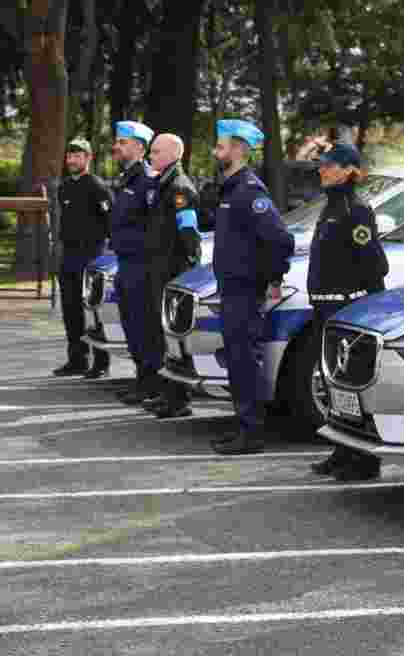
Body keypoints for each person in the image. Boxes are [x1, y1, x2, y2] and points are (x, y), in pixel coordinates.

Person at [210, 119, 295, 455]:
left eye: (221, 145)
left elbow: (280, 241)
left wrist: (273, 278)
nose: (216, 151)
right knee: (237, 361)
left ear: (239, 149)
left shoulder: (249, 192)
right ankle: (243, 427)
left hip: (245, 292)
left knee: (245, 362)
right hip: (232, 290)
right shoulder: (231, 188)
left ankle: (252, 432)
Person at [306, 143, 389, 481]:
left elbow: (375, 265)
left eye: (329, 165)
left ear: (348, 170)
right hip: (328, 307)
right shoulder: (331, 207)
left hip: (346, 308)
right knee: (334, 387)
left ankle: (364, 461)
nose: (322, 170)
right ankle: (342, 451)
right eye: (322, 165)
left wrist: (358, 306)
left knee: (350, 386)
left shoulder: (356, 209)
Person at [138, 133, 202, 419]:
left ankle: (179, 399)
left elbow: (189, 234)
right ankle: (168, 394)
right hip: (159, 268)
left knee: (173, 337)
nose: (150, 155)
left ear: (173, 154)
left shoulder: (179, 188)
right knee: (162, 336)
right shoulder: (162, 184)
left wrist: (188, 269)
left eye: (155, 151)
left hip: (173, 271)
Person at [53, 138, 113, 378]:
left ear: (88, 158)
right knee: (70, 310)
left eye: (78, 156)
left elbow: (110, 220)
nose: (72, 160)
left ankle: (101, 363)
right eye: (70, 156)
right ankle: (77, 359)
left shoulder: (97, 186)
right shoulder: (64, 186)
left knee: (93, 310)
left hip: (91, 256)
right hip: (69, 255)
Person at [108, 121, 157, 405]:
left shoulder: (147, 179)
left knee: (143, 327)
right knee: (131, 326)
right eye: (117, 141)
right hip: (125, 263)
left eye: (123, 142)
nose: (117, 146)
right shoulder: (127, 177)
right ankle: (142, 380)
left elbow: (152, 226)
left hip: (141, 265)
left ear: (139, 147)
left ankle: (150, 383)